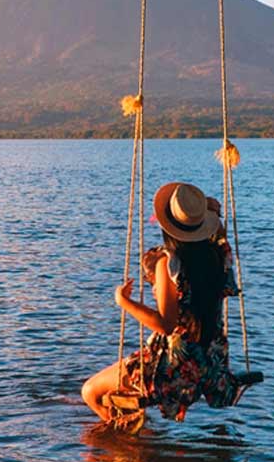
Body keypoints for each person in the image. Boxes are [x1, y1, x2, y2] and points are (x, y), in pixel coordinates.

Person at [82, 181, 254, 424]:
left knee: (90, 392)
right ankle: (136, 443)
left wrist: (124, 301)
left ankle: (124, 444)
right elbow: (220, 236)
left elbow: (165, 324)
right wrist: (214, 214)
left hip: (172, 370)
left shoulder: (169, 264)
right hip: (211, 367)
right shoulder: (219, 256)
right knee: (113, 391)